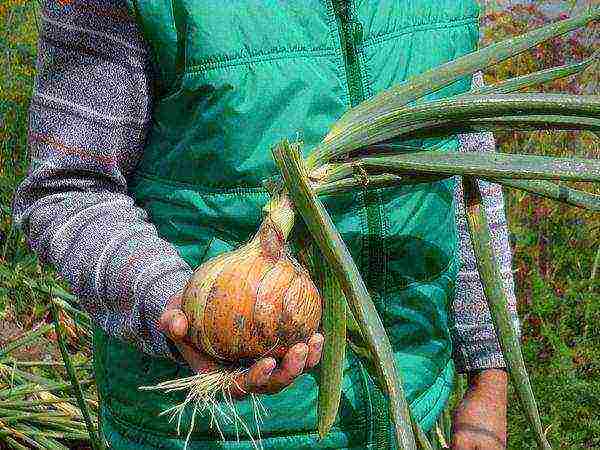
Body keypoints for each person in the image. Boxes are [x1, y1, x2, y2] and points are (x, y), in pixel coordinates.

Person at [13, 1, 520, 449]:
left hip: (407, 410)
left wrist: (489, 375)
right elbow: (68, 188)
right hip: (211, 427)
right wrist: (176, 302)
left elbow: (466, 166)